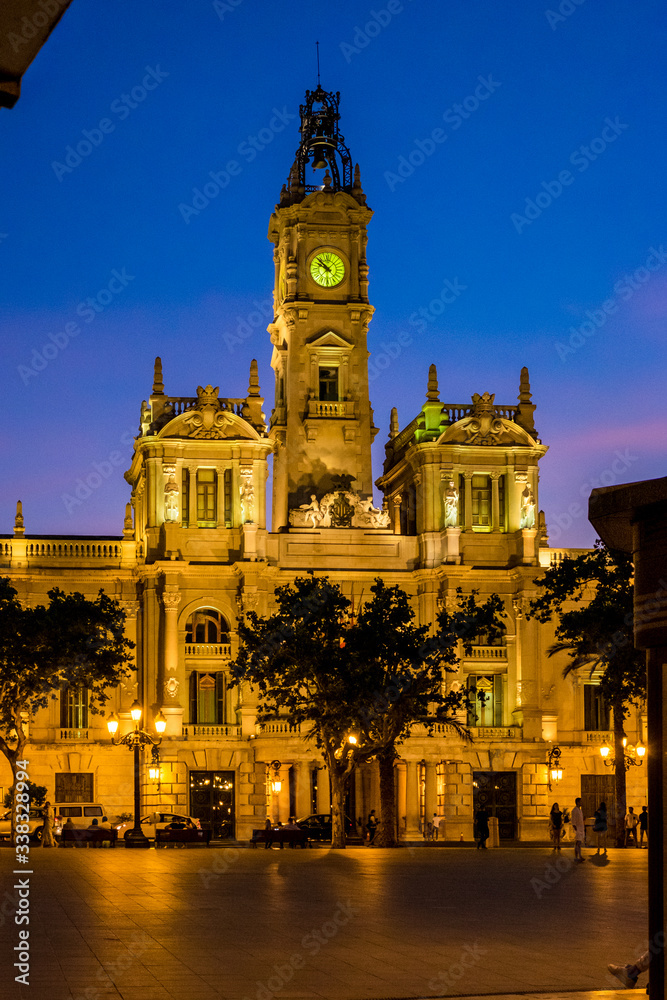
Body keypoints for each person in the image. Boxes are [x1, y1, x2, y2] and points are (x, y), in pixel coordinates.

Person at [570, 797, 585, 862]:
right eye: (581, 801)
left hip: (581, 828)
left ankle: (579, 856)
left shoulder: (580, 810)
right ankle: (576, 857)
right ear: (578, 802)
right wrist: (575, 829)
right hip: (578, 829)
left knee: (579, 843)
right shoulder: (574, 810)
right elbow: (573, 820)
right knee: (577, 843)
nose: (582, 802)